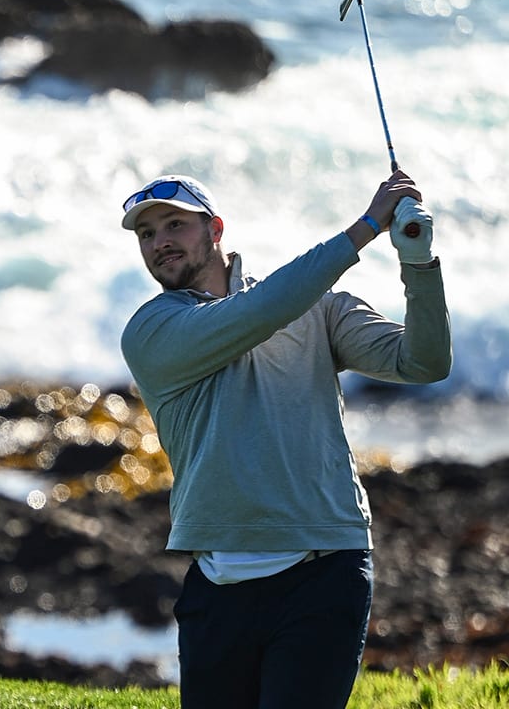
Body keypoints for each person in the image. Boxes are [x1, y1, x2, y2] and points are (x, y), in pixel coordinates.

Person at [118, 171, 451, 709]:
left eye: (174, 225)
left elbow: (423, 361)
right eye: (146, 234)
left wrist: (418, 262)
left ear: (215, 229)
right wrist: (366, 227)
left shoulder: (316, 306)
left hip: (323, 572)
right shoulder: (152, 329)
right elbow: (258, 313)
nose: (160, 243)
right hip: (216, 585)